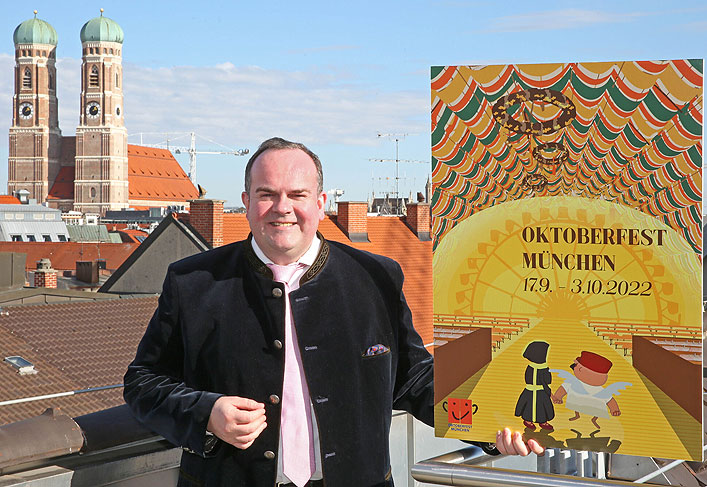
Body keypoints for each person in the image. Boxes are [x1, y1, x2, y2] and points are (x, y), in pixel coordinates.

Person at [124, 137, 543, 487]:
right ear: (246, 201)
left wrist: (490, 419)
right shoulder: (194, 281)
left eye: (297, 195)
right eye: (267, 194)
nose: (282, 207)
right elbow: (142, 383)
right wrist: (205, 413)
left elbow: (413, 379)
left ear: (321, 202)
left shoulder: (375, 276)